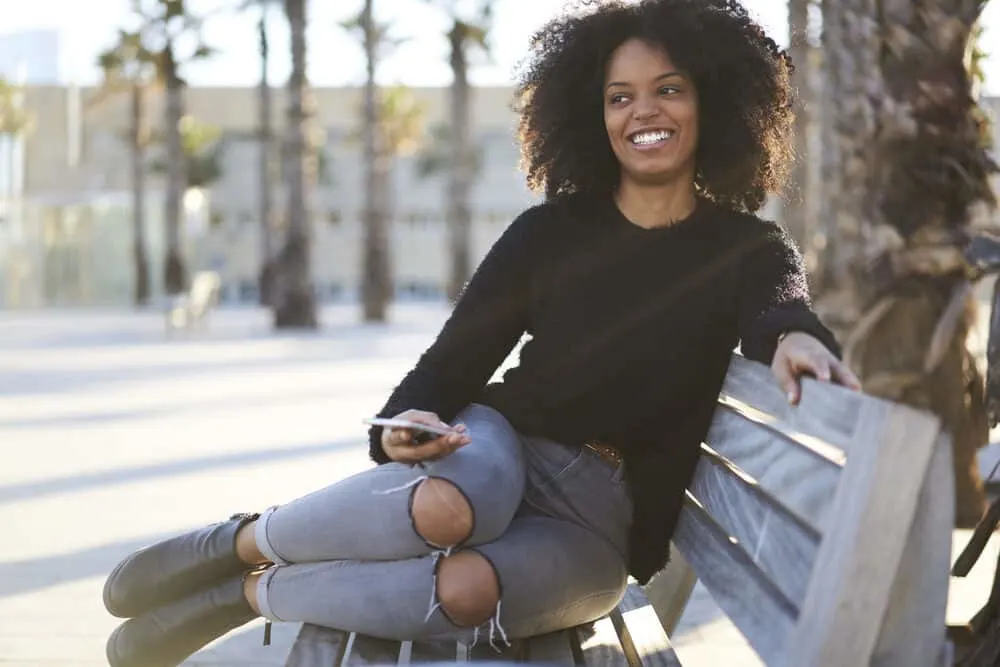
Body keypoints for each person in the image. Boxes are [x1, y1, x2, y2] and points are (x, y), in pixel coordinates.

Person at [102, 1, 862, 665]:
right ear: (593, 117)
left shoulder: (745, 250)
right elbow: (450, 364)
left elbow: (778, 307)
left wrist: (796, 339)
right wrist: (407, 425)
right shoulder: (548, 233)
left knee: (467, 591)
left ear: (712, 103)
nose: (643, 112)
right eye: (619, 96)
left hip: (607, 520)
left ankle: (252, 590)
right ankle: (244, 537)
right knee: (447, 510)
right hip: (503, 444)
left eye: (669, 90)